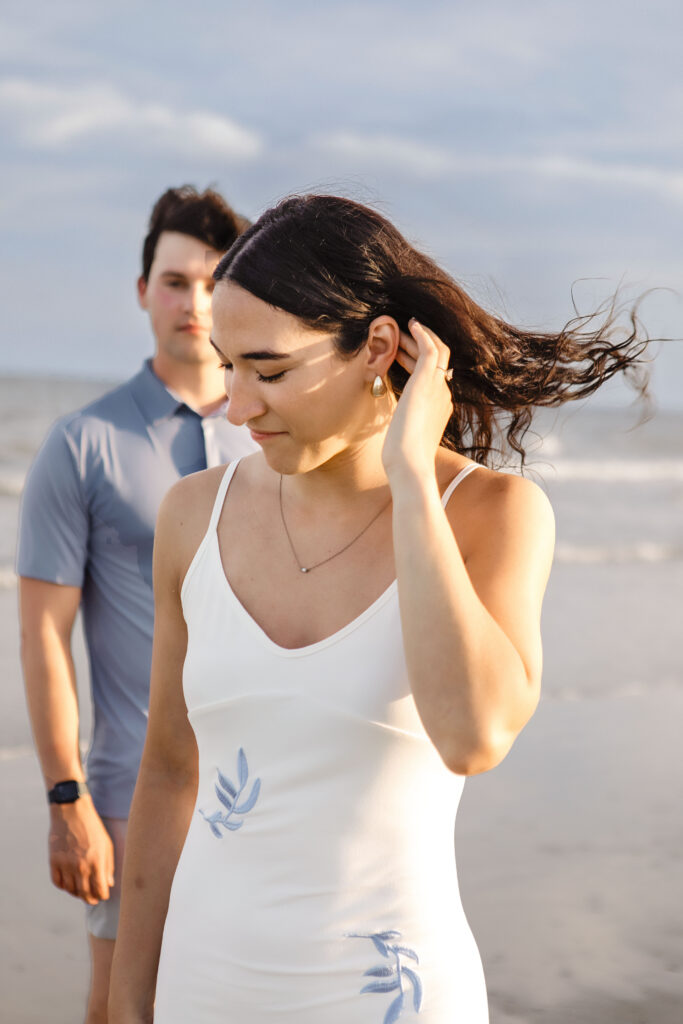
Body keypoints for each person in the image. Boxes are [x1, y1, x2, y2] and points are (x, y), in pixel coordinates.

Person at [108, 194, 651, 1023]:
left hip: (392, 1002)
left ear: (378, 348)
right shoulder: (192, 516)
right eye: (229, 365)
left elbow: (474, 735)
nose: (236, 405)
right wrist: (124, 1006)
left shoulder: (492, 516)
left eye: (272, 369)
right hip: (203, 987)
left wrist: (410, 484)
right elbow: (169, 772)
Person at [17, 185, 257, 1024]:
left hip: (262, 788)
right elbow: (44, 638)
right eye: (174, 280)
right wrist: (65, 797)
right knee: (126, 1008)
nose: (194, 303)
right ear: (142, 290)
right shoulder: (82, 443)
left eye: (212, 282)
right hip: (128, 793)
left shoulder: (279, 436)